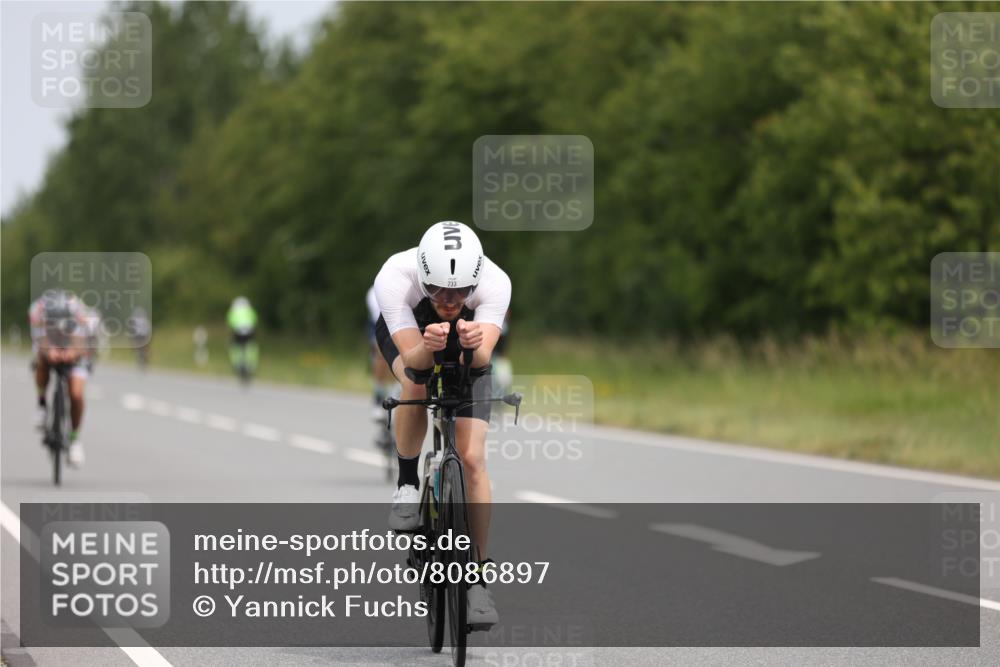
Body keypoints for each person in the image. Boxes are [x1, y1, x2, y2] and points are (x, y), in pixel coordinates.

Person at [373, 220, 510, 627]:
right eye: (438, 292)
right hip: (412, 339)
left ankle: (478, 580)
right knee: (415, 379)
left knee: (471, 459)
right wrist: (425, 347)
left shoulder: (494, 282)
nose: (450, 301)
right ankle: (407, 483)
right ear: (423, 276)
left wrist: (472, 345)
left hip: (469, 346)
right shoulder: (395, 277)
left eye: (460, 293)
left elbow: (482, 362)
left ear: (475, 281)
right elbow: (413, 361)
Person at [28, 289, 89, 466]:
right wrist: (50, 352)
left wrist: (72, 353)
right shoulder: (37, 313)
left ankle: (75, 439)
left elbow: (82, 343)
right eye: (52, 322)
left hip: (75, 347)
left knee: (76, 394)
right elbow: (39, 341)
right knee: (41, 362)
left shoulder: (79, 313)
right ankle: (41, 404)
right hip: (48, 344)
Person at [367, 286, 397, 421]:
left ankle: (397, 390)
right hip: (383, 326)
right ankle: (378, 397)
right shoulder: (375, 292)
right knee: (381, 354)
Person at [227, 296, 259, 376]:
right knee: (251, 346)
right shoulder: (249, 310)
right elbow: (255, 320)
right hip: (249, 333)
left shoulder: (233, 311)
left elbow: (230, 322)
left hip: (237, 333)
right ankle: (251, 363)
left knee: (235, 346)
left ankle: (236, 363)